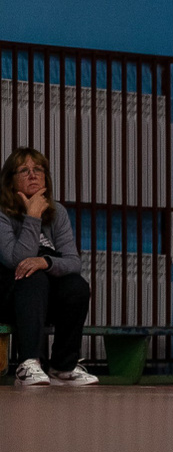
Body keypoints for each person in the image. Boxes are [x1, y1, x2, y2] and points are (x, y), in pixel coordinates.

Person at [0, 148, 96, 387]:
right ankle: (28, 363)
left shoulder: (57, 211)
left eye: (38, 169)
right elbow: (15, 260)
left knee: (77, 286)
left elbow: (73, 262)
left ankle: (63, 367)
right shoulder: (2, 213)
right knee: (32, 276)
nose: (33, 175)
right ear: (10, 180)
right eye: (24, 170)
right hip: (9, 296)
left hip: (43, 296)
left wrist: (46, 261)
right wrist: (32, 217)